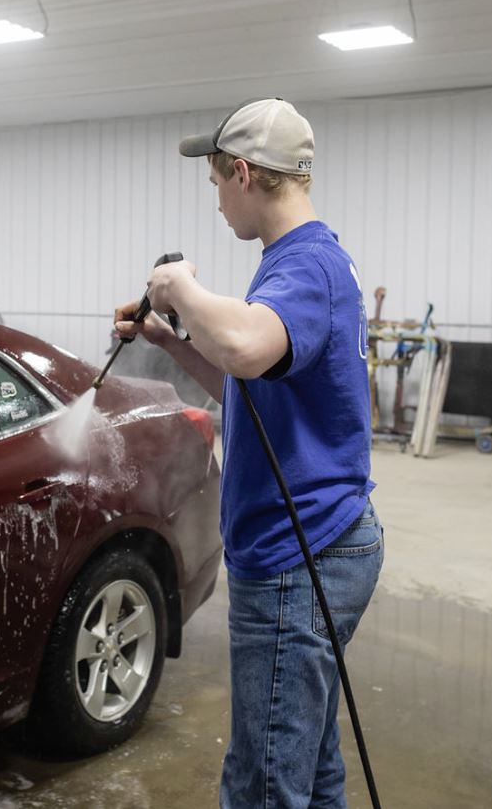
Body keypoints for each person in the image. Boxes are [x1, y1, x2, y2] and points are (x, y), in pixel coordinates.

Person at [114, 98, 383, 809]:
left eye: (214, 185)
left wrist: (180, 287)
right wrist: (170, 340)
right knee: (309, 761)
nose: (216, 203)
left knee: (264, 784)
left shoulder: (305, 266)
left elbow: (241, 344)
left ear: (242, 172)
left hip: (299, 556)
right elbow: (250, 380)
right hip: (325, 540)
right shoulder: (301, 264)